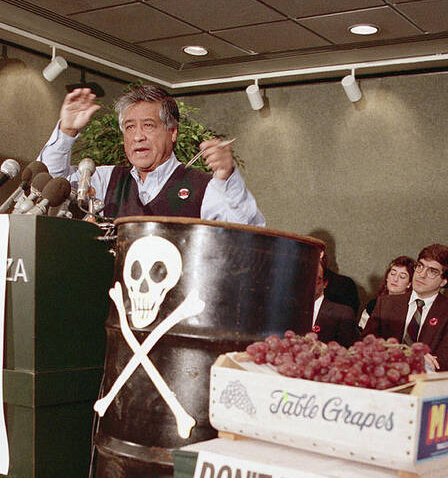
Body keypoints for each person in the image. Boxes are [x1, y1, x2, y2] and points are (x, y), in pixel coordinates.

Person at [39, 85, 265, 225]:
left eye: (148, 125)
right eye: (129, 127)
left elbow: (249, 230)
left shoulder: (204, 187)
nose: (138, 136)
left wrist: (227, 177)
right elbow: (50, 186)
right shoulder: (104, 179)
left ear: (172, 132)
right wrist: (67, 131)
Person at [363, 244, 448, 371]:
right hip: (385, 378)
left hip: (425, 384)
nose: (421, 274)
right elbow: (365, 347)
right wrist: (410, 355)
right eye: (420, 266)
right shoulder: (386, 304)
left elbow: (446, 363)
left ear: (444, 281)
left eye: (432, 271)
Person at [313, 255, 359, 347]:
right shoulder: (289, 309)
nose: (309, 283)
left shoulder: (343, 314)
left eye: (316, 279)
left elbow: (348, 353)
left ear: (325, 283)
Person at [359, 255, 415, 329]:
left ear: (409, 284)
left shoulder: (412, 308)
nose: (395, 279)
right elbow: (361, 332)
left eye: (402, 277)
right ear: (387, 277)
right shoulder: (374, 304)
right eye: (393, 274)